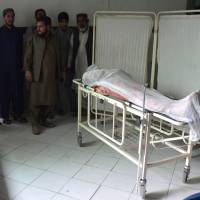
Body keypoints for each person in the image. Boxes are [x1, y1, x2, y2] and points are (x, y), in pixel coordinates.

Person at [24, 16, 59, 135]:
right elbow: (27, 56)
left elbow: (59, 57)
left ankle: (43, 120)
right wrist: (27, 70)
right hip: (36, 75)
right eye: (37, 26)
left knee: (48, 100)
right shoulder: (33, 38)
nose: (38, 28)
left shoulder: (54, 39)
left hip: (50, 76)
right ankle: (35, 124)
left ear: (48, 27)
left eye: (41, 26)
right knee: (35, 101)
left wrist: (61, 71)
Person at [0, 8, 27, 124]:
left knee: (17, 91)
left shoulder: (18, 32)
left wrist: (23, 65)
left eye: (12, 16)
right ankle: (4, 116)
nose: (10, 18)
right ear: (4, 17)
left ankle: (18, 114)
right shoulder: (0, 32)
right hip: (3, 68)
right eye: (8, 16)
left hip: (16, 68)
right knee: (4, 92)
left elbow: (22, 51)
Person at [55, 12, 74, 114]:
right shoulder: (55, 33)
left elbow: (71, 50)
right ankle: (60, 108)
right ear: (58, 23)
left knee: (69, 87)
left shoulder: (71, 32)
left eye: (66, 22)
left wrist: (68, 65)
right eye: (62, 22)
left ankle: (72, 108)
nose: (64, 24)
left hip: (68, 64)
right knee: (58, 87)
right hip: (57, 65)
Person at [73, 13, 93, 79]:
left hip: (89, 64)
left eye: (83, 20)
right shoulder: (74, 34)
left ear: (87, 21)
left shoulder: (93, 33)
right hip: (78, 63)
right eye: (79, 21)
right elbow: (71, 50)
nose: (81, 23)